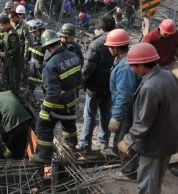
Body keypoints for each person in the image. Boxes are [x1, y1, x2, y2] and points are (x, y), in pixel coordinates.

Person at [119, 43, 178, 194]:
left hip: (154, 145)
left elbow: (143, 123)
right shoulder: (168, 75)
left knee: (147, 183)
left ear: (141, 65)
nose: (131, 69)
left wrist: (128, 140)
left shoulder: (150, 87)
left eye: (133, 66)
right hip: (169, 140)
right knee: (156, 179)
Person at [32, 30, 82, 164]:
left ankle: (44, 156)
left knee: (43, 126)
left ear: (47, 46)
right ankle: (72, 148)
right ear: (58, 41)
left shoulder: (50, 65)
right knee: (69, 126)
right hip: (70, 102)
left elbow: (53, 93)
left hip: (57, 106)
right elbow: (79, 79)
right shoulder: (73, 56)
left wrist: (45, 110)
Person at [104, 29, 140, 180]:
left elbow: (124, 95)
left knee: (124, 142)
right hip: (127, 109)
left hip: (127, 111)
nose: (108, 49)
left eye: (109, 47)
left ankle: (129, 172)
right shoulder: (123, 60)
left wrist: (116, 117)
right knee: (119, 138)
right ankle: (118, 156)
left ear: (115, 48)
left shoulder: (125, 68)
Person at [77, 16, 115, 152]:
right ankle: (104, 141)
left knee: (89, 115)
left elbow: (87, 68)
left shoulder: (96, 44)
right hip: (110, 87)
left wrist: (83, 83)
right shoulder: (119, 40)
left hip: (95, 87)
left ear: (101, 28)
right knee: (106, 114)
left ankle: (85, 143)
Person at [0, 89, 32, 159]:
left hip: (12, 124)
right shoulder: (9, 92)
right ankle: (18, 162)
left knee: (5, 146)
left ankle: (1, 162)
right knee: (20, 145)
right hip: (26, 120)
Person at [0, 15, 21, 95]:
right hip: (8, 62)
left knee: (14, 81)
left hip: (13, 62)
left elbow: (16, 49)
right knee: (8, 80)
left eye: (2, 25)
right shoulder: (7, 32)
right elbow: (4, 42)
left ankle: (16, 96)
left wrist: (6, 53)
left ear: (7, 24)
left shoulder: (12, 34)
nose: (1, 27)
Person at [10, 8, 31, 86]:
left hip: (22, 50)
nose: (10, 21)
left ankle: (25, 83)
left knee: (23, 67)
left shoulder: (25, 25)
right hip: (14, 50)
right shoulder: (12, 24)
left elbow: (28, 41)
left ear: (15, 17)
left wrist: (26, 54)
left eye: (11, 19)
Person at [26, 19, 46, 97]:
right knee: (30, 84)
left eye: (35, 32)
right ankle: (28, 99)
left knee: (45, 87)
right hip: (32, 67)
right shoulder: (35, 40)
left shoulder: (46, 41)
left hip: (41, 68)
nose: (34, 34)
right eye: (33, 32)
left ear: (41, 30)